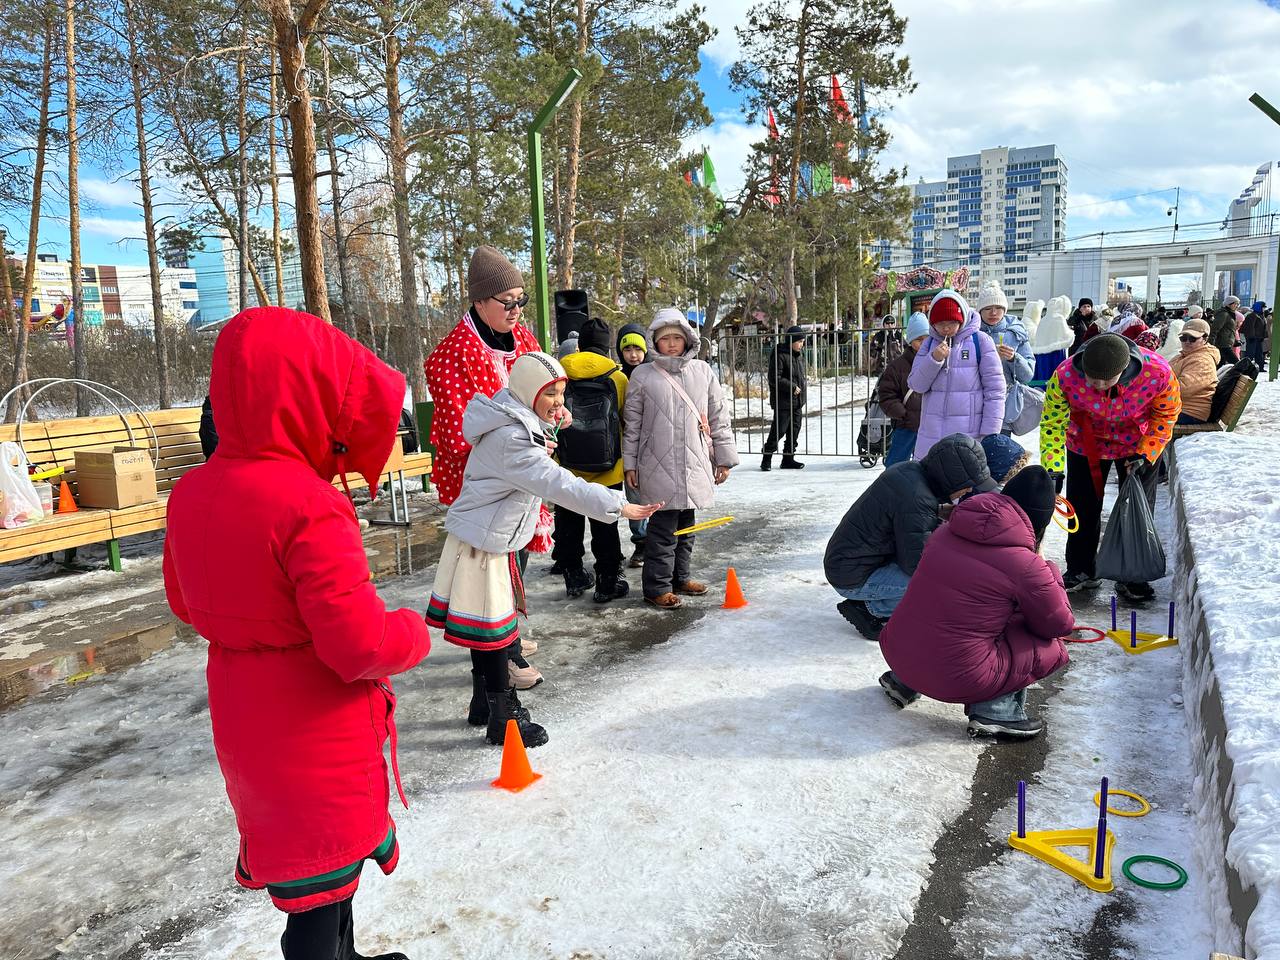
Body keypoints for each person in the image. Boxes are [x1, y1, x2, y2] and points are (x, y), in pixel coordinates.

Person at [162, 306, 430, 960]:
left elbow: (185, 604)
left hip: (246, 718)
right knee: (319, 888)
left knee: (321, 874)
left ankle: (350, 955)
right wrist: (411, 633)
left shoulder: (193, 492)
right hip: (316, 732)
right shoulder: (308, 502)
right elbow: (355, 644)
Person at [428, 352, 660, 747]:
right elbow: (557, 483)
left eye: (561, 393)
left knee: (489, 630)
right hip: (485, 546)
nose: (559, 402)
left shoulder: (513, 415)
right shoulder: (512, 439)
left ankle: (482, 701)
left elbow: (541, 429)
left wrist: (554, 416)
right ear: (526, 392)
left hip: (486, 539)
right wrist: (617, 504)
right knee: (496, 634)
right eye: (550, 393)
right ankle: (506, 715)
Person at [877, 466, 1071, 739]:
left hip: (897, 651)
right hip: (957, 677)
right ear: (1039, 523)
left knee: (947, 611)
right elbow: (1059, 624)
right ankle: (996, 710)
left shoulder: (945, 532)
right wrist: (1047, 568)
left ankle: (904, 682)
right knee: (1048, 644)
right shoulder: (1026, 565)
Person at [424, 245, 543, 689]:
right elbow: (461, 426)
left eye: (520, 301)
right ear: (479, 302)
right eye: (506, 302)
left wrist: (552, 411)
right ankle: (501, 655)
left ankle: (508, 634)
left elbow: (541, 385)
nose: (515, 311)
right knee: (492, 569)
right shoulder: (454, 353)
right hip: (482, 479)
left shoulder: (522, 338)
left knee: (518, 550)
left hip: (521, 468)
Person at [1040, 333, 1181, 601]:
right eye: (1093, 380)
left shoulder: (1157, 372)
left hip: (1137, 445)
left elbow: (1166, 415)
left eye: (1107, 380)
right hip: (1085, 442)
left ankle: (1131, 575)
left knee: (1137, 507)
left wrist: (1147, 453)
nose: (1100, 386)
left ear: (1124, 370)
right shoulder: (1065, 375)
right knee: (1082, 506)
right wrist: (1053, 467)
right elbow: (1053, 423)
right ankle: (1082, 569)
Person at [823, 433, 999, 640]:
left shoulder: (909, 471)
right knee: (936, 585)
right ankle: (871, 610)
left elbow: (907, 527)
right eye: (968, 484)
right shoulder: (918, 499)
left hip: (848, 563)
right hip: (852, 577)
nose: (969, 490)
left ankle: (875, 599)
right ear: (952, 478)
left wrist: (940, 516)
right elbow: (916, 564)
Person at [623, 308, 739, 609]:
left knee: (686, 527)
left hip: (694, 462)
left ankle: (680, 576)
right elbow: (632, 424)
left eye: (677, 337)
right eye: (665, 339)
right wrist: (630, 464)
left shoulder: (702, 372)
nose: (672, 344)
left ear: (688, 338)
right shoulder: (642, 375)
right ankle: (656, 587)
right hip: (656, 463)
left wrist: (723, 458)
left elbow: (718, 416)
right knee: (662, 531)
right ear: (655, 342)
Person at [551, 318, 631, 603]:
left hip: (567, 466)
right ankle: (607, 581)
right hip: (608, 468)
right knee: (605, 523)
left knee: (568, 523)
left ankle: (573, 575)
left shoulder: (561, 376)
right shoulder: (618, 378)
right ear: (606, 346)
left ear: (580, 344)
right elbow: (627, 422)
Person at [908, 289, 1006, 459]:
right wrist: (934, 360)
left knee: (964, 484)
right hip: (930, 438)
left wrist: (990, 433)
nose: (945, 328)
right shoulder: (929, 344)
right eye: (940, 323)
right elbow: (916, 384)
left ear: (962, 318)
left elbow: (996, 390)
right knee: (931, 484)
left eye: (951, 322)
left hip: (969, 438)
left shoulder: (980, 341)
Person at [975, 281, 1034, 435]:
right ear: (980, 311)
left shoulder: (1016, 333)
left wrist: (1014, 358)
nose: (993, 313)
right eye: (987, 308)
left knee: (999, 452)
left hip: (1003, 406)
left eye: (998, 308)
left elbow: (1027, 376)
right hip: (973, 405)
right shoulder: (970, 333)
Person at [616, 322, 651, 568]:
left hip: (651, 445)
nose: (633, 355)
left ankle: (658, 539)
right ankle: (641, 541)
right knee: (634, 495)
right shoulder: (618, 378)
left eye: (638, 349)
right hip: (625, 447)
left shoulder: (653, 374)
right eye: (627, 349)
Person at [877, 311, 928, 466]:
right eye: (919, 339)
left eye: (927, 339)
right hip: (907, 424)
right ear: (910, 341)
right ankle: (892, 489)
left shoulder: (937, 362)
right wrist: (901, 412)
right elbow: (886, 394)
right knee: (896, 464)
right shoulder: (897, 366)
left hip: (930, 425)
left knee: (927, 465)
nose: (924, 343)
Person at [762, 325, 807, 471]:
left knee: (794, 430)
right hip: (783, 401)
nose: (802, 345)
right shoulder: (779, 354)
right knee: (779, 431)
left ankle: (788, 459)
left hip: (797, 401)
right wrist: (792, 387)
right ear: (791, 341)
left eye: (803, 341)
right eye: (799, 341)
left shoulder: (797, 355)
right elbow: (774, 378)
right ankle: (766, 458)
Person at [1168, 317, 1220, 426]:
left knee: (1136, 417)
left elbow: (1183, 389)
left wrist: (1153, 390)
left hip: (1190, 412)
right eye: (1183, 338)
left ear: (1205, 339)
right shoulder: (1183, 356)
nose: (1187, 342)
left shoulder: (1202, 361)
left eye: (1192, 338)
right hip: (1176, 407)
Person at [1211, 295, 1241, 363]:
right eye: (1235, 303)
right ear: (1228, 304)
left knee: (1220, 364)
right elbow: (1215, 329)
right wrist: (1211, 343)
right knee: (1236, 363)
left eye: (1238, 304)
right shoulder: (1224, 314)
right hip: (1222, 344)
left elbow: (1229, 329)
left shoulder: (1231, 314)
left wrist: (1235, 340)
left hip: (1227, 343)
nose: (1237, 306)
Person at [1242, 300, 1269, 371]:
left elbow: (1264, 327)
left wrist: (1264, 336)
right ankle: (1246, 368)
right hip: (1252, 338)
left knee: (1259, 353)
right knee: (1250, 354)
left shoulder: (1261, 315)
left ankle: (1260, 367)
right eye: (1263, 307)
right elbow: (1250, 327)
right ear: (1258, 307)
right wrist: (1251, 336)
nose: (1264, 309)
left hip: (1258, 338)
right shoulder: (1252, 316)